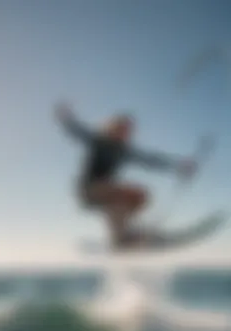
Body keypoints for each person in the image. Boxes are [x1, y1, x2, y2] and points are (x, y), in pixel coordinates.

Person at [54, 102, 196, 248]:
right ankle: (121, 238)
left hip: (106, 192)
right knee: (123, 193)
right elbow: (79, 131)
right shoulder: (99, 141)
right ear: (113, 128)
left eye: (128, 131)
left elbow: (150, 160)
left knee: (139, 196)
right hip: (87, 190)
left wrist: (178, 166)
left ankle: (125, 233)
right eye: (122, 129)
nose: (125, 134)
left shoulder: (124, 151)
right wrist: (66, 118)